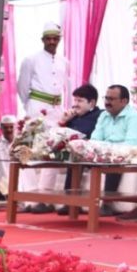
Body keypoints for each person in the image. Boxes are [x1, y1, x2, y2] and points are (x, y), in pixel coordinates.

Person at [16, 22, 69, 213]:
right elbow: (22, 87)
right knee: (29, 153)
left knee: (54, 151)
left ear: (59, 40)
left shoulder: (64, 61)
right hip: (36, 109)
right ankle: (30, 198)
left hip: (56, 110)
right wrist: (30, 107)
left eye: (55, 38)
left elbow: (65, 87)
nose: (52, 42)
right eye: (48, 38)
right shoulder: (31, 59)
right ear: (42, 40)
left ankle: (45, 197)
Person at [91, 85, 137, 218]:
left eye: (111, 99)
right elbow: (95, 139)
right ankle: (72, 203)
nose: (107, 102)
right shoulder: (104, 115)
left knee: (115, 159)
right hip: (109, 150)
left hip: (134, 153)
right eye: (106, 98)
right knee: (81, 158)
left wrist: (108, 149)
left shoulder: (133, 116)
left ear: (124, 101)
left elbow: (131, 144)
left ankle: (107, 204)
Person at [55, 84, 103, 215]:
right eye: (75, 100)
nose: (75, 104)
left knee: (75, 159)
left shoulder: (100, 116)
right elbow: (61, 136)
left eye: (80, 101)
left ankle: (71, 202)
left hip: (90, 152)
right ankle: (41, 201)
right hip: (70, 152)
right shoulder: (73, 117)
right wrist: (63, 121)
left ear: (92, 102)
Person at [0, 115, 16, 200]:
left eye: (11, 127)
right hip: (3, 187)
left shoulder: (20, 144)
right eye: (6, 127)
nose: (9, 130)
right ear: (1, 128)